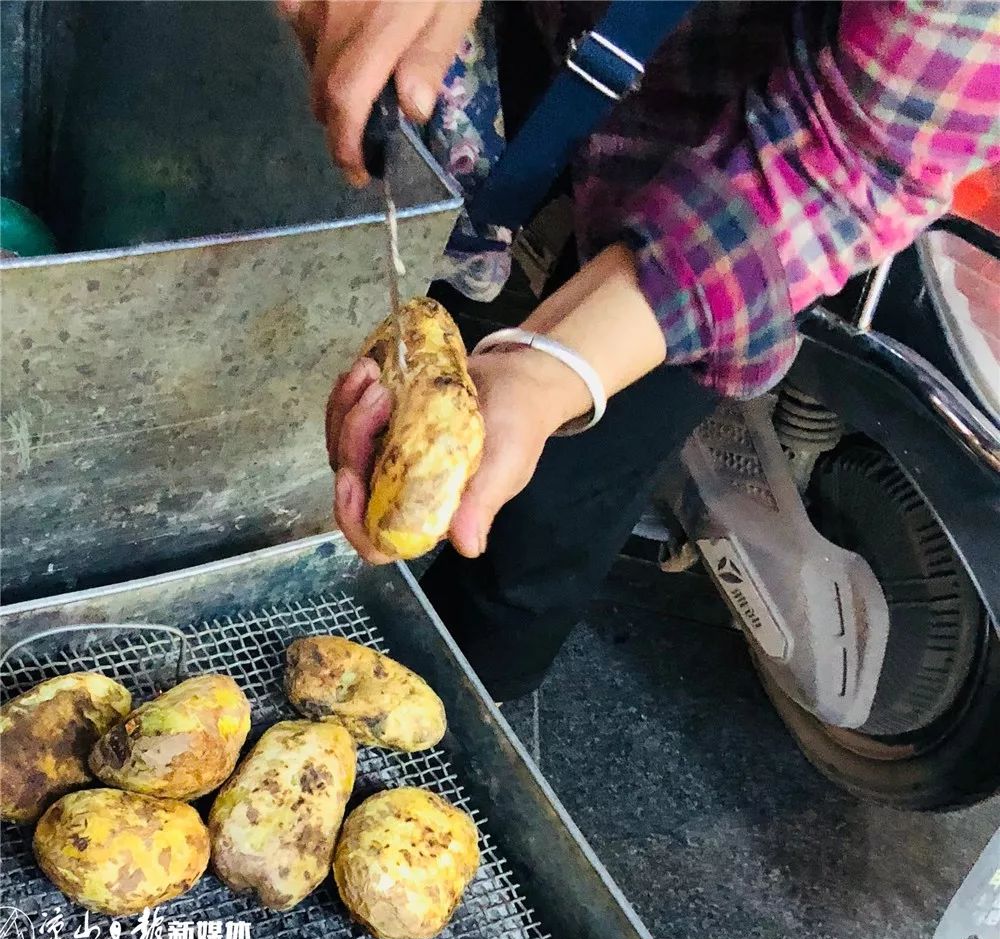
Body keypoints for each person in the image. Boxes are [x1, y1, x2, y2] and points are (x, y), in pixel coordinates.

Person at [281, 0, 1000, 701]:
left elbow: (850, 161)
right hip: (553, 41)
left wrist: (542, 374)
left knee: (544, 504)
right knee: (454, 303)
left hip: (731, 175)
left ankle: (454, 715)